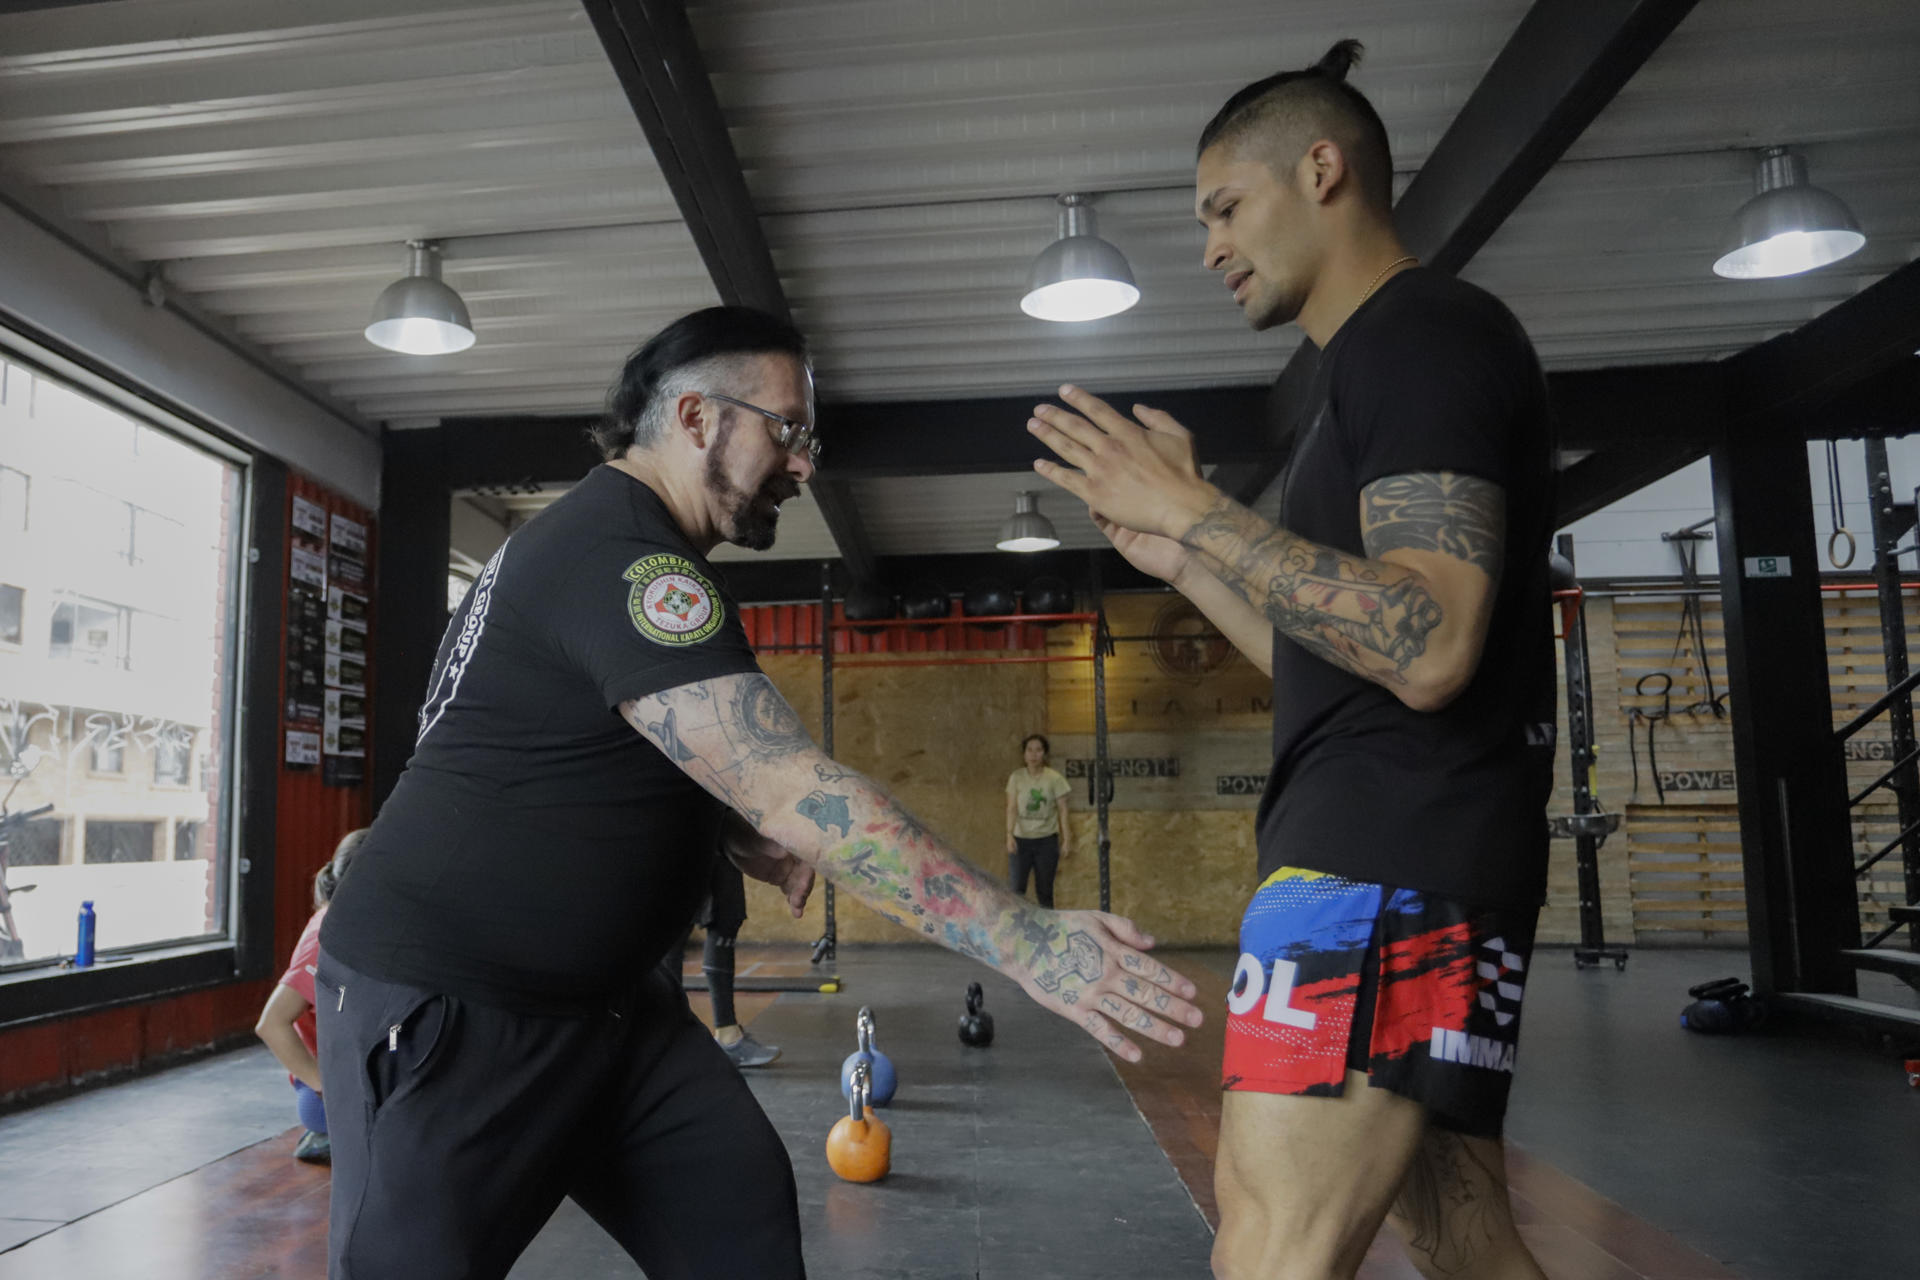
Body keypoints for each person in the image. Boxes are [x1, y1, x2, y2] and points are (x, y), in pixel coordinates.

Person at [316, 306, 1203, 1280]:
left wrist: (721, 822)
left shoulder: (601, 548)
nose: (805, 462)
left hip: (615, 1013)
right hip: (460, 1006)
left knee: (737, 1221)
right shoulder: (623, 559)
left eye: (807, 436)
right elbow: (792, 785)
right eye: (787, 429)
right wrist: (1026, 937)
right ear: (696, 417)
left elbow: (565, 743)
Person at [1026, 40, 1555, 1280]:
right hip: (1411, 854)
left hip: (1382, 866)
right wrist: (1188, 556)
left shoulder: (1419, 334)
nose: (1209, 245)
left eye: (1224, 207)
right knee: (1469, 1244)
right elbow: (1343, 654)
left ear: (1322, 170)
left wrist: (1206, 510)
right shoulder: (1362, 373)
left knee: (1269, 1243)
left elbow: (1429, 645)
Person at [253, 828, 366, 1165]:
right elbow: (271, 1024)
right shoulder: (325, 937)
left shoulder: (353, 924)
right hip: (326, 1097)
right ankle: (329, 1134)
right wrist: (327, 1089)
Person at [678, 852, 780, 1068]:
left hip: (717, 834)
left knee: (727, 916)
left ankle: (727, 1035)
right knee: (675, 924)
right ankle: (673, 1041)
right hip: (677, 835)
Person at [1004, 732, 1071, 908]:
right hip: (1021, 840)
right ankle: (1016, 930)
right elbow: (1011, 808)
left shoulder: (1055, 778)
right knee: (1017, 890)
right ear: (1024, 754)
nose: (1034, 755)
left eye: (1038, 750)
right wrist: (1009, 835)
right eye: (1030, 750)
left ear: (1045, 754)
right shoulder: (1016, 777)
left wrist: (1066, 840)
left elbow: (1063, 810)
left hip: (1046, 841)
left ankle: (1048, 932)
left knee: (1045, 891)